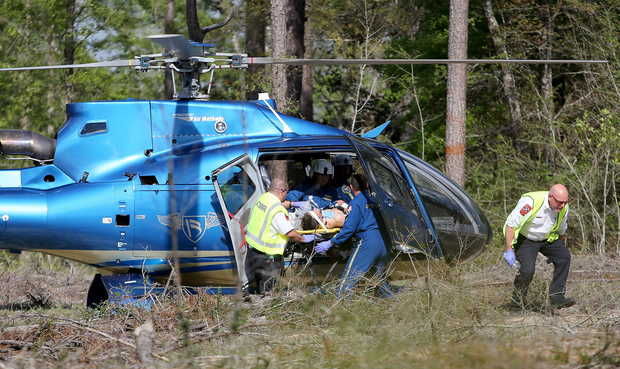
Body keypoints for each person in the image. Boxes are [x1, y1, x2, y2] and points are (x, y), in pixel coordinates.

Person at [313, 174, 397, 298]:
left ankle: (339, 304)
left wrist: (332, 242)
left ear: (351, 187)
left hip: (368, 243)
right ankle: (394, 301)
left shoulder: (356, 202)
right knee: (380, 281)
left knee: (348, 280)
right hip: (384, 241)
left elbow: (349, 229)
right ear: (367, 185)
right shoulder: (374, 200)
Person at [503, 184, 575, 309]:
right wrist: (509, 250)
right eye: (559, 202)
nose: (562, 205)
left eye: (565, 202)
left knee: (564, 257)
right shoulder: (530, 202)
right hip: (527, 239)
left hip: (547, 238)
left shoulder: (563, 207)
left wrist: (557, 251)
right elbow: (511, 225)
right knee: (527, 271)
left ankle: (557, 297)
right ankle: (517, 301)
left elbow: (562, 229)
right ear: (550, 197)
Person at [244, 178, 314, 295]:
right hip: (268, 259)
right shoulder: (277, 209)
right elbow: (290, 233)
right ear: (282, 191)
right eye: (287, 192)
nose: (286, 196)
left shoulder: (262, 198)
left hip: (251, 254)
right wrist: (305, 239)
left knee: (254, 293)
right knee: (269, 293)